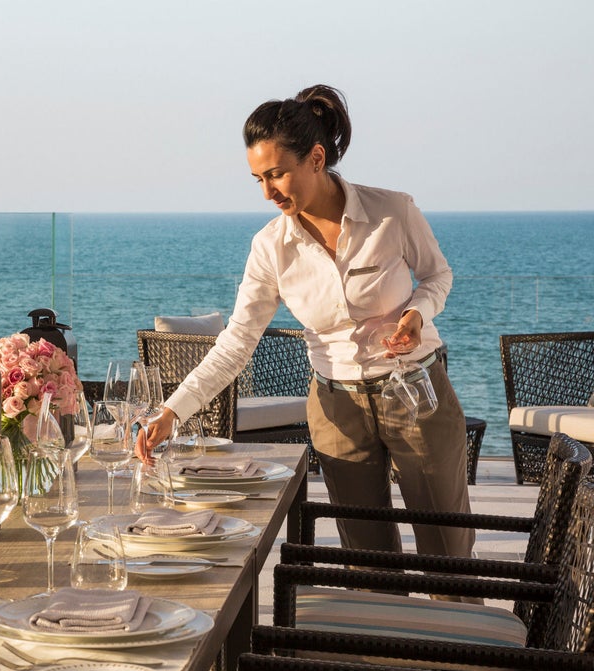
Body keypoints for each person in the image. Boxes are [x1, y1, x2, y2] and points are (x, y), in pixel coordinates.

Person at [136, 84, 474, 563]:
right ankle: (381, 636)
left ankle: (460, 636)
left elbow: (437, 274)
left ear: (316, 158)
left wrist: (417, 314)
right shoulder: (270, 247)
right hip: (337, 408)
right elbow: (236, 343)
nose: (269, 192)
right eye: (258, 179)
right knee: (366, 557)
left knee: (448, 549)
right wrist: (172, 411)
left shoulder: (392, 212)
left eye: (277, 174)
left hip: (416, 391)